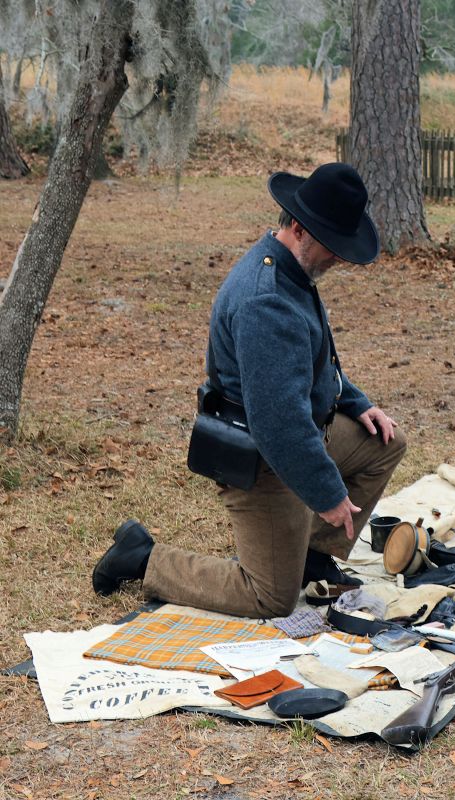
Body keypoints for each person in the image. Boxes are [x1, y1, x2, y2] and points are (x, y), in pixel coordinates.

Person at [91, 162, 407, 618]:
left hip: (299, 434)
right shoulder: (268, 302)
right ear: (299, 228)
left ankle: (313, 561)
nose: (339, 258)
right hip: (260, 457)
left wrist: (358, 403)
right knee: (269, 598)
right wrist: (327, 493)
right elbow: (278, 426)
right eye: (332, 246)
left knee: (385, 442)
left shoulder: (292, 270)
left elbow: (312, 366)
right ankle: (143, 557)